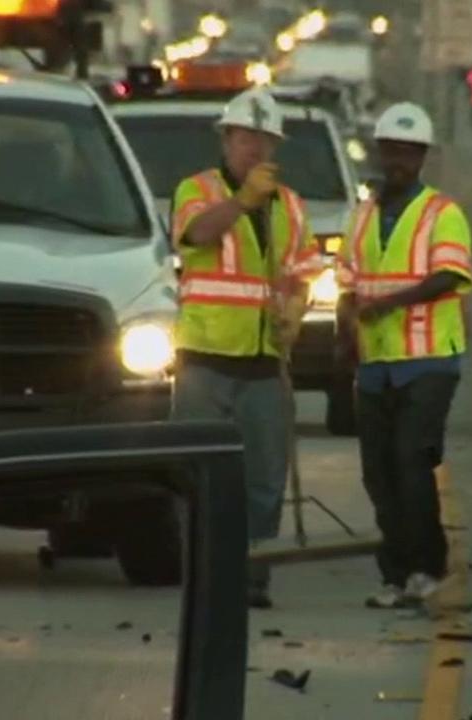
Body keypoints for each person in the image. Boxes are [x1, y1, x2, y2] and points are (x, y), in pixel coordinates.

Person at [169, 88, 323, 609]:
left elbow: (303, 271)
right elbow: (195, 236)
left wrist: (296, 309)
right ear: (227, 138)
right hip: (206, 359)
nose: (256, 149)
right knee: (200, 474)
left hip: (264, 363)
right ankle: (204, 573)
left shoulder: (291, 206)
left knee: (263, 477)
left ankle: (252, 575)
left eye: (265, 139)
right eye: (246, 137)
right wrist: (241, 202)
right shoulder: (196, 190)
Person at [335, 102, 472, 610]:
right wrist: (345, 326)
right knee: (379, 473)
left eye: (408, 153)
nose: (397, 161)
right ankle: (396, 574)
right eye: (391, 150)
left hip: (430, 359)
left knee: (410, 461)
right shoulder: (362, 216)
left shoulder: (443, 214)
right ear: (379, 151)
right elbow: (347, 281)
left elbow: (449, 277)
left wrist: (386, 304)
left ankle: (427, 566)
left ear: (421, 158)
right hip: (375, 364)